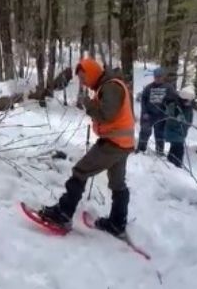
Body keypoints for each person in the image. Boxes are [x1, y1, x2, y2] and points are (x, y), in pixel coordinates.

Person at [38, 58, 135, 237]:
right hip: (122, 143)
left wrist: (88, 105)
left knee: (80, 171)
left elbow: (106, 115)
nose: (83, 82)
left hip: (114, 143)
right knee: (117, 184)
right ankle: (117, 223)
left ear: (92, 74)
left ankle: (63, 214)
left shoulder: (111, 87)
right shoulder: (109, 85)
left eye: (84, 78)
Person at [137, 67, 176, 153]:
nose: (157, 78)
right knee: (145, 131)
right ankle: (141, 150)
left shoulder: (168, 88)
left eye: (159, 77)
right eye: (156, 77)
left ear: (163, 77)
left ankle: (159, 151)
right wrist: (144, 112)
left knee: (159, 134)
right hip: (149, 115)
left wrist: (169, 110)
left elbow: (173, 101)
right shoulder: (148, 88)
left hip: (161, 115)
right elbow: (143, 101)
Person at [164, 88, 195, 168]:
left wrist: (186, 125)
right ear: (183, 99)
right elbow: (169, 120)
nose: (189, 102)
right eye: (187, 101)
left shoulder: (189, 108)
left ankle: (171, 164)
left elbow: (190, 120)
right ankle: (176, 166)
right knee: (179, 148)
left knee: (175, 148)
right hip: (173, 132)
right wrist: (178, 123)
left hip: (182, 133)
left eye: (190, 101)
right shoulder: (173, 106)